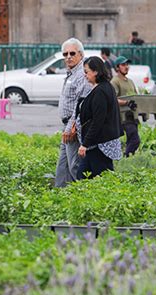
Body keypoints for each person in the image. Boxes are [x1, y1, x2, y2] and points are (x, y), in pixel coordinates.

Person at [54, 38, 93, 187]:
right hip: (67, 126)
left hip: (74, 127)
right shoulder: (71, 73)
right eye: (65, 54)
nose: (68, 57)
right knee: (63, 168)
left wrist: (71, 126)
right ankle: (61, 198)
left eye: (72, 53)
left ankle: (86, 193)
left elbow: (81, 104)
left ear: (81, 55)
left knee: (75, 166)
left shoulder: (81, 74)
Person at [77, 56, 122, 180]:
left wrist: (85, 144)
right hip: (97, 144)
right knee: (82, 176)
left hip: (100, 145)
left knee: (101, 178)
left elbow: (98, 120)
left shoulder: (101, 91)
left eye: (86, 72)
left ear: (96, 71)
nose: (85, 75)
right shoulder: (102, 87)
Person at [111, 56, 140, 156]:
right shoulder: (115, 81)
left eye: (127, 64)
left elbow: (135, 96)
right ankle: (126, 157)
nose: (126, 67)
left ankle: (126, 158)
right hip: (122, 116)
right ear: (117, 67)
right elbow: (112, 99)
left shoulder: (130, 81)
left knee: (131, 139)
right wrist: (126, 103)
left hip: (132, 115)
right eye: (123, 65)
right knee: (135, 140)